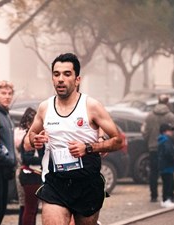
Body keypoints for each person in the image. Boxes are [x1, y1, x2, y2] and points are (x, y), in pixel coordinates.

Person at [27, 53, 123, 225]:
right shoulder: (45, 107)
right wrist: (36, 140)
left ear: (77, 79)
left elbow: (118, 140)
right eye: (56, 74)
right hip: (56, 183)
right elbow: (31, 136)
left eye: (67, 74)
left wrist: (88, 148)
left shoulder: (91, 106)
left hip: (87, 183)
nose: (61, 79)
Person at [0, 80, 17, 225]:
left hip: (6, 168)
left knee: (1, 210)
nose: (7, 96)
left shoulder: (6, 115)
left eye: (9, 93)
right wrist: (8, 158)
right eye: (3, 93)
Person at [142, 94, 174, 203]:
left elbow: (145, 132)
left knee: (153, 173)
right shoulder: (171, 116)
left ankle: (153, 196)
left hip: (153, 147)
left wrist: (149, 141)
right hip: (167, 148)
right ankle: (168, 195)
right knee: (168, 173)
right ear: (167, 102)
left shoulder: (150, 116)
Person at [18, 107, 44, 225]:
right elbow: (27, 159)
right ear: (29, 124)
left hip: (32, 175)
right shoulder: (29, 138)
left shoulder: (31, 136)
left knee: (30, 209)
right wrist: (44, 159)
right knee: (30, 209)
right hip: (30, 175)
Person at [158, 123, 174, 208]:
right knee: (168, 184)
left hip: (163, 166)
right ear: (165, 132)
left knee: (166, 183)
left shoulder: (162, 140)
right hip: (167, 166)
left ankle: (164, 199)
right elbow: (168, 152)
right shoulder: (166, 140)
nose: (172, 132)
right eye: (170, 131)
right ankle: (167, 199)